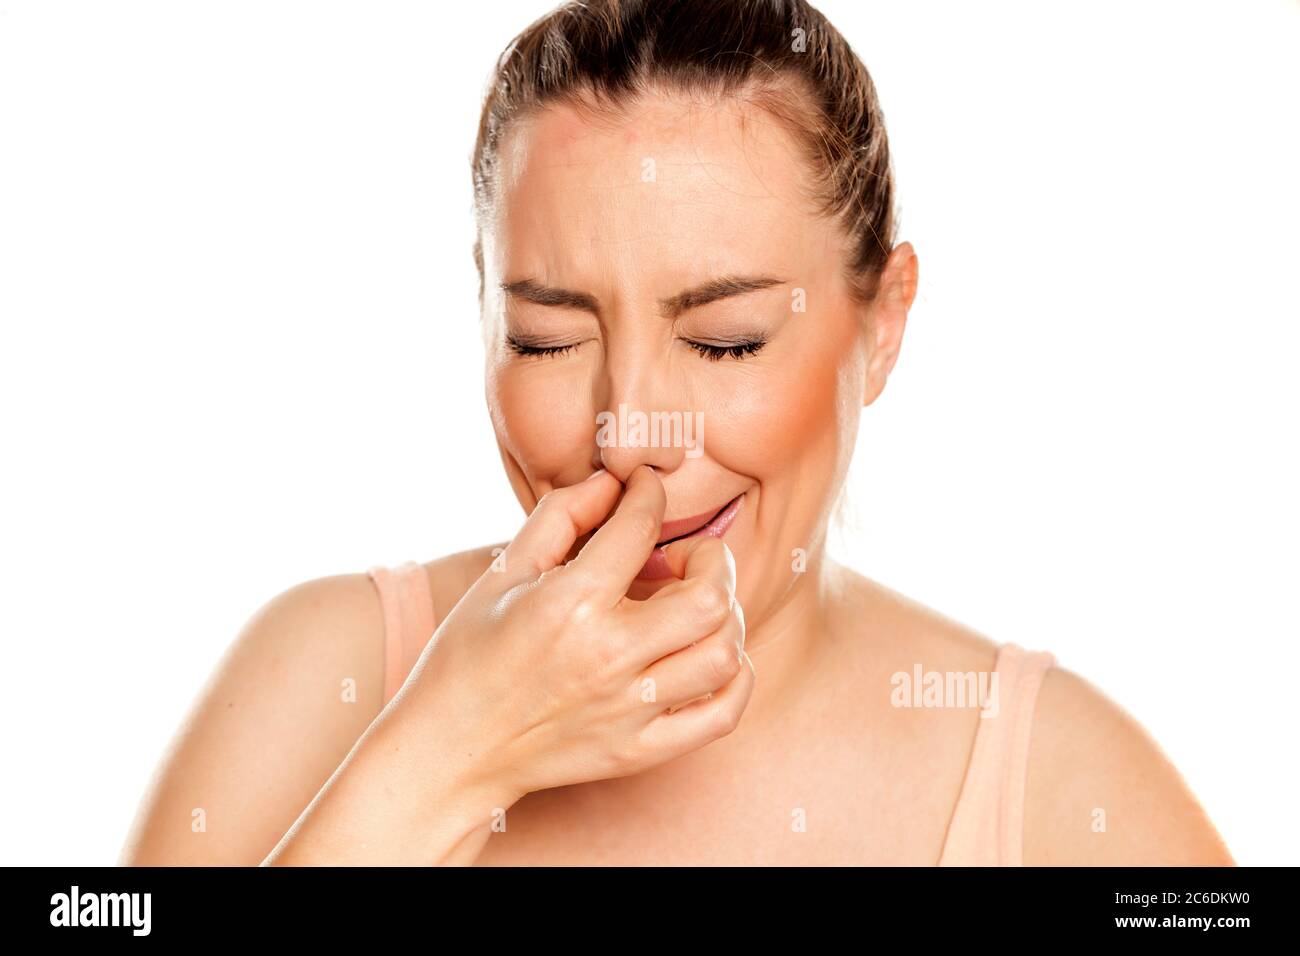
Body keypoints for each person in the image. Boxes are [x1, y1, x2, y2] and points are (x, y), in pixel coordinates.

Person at [120, 0, 1233, 866]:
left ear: (882, 325)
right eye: (549, 337)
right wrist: (447, 751)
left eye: (728, 340)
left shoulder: (1068, 788)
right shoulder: (318, 676)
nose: (628, 435)